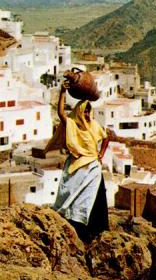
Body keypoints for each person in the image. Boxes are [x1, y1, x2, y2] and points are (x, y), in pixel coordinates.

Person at [45, 72, 111, 244]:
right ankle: (76, 227)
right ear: (80, 112)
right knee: (72, 195)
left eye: (89, 111)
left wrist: (101, 154)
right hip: (77, 166)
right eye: (85, 111)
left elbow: (106, 137)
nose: (88, 114)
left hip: (93, 169)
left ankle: (98, 230)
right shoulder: (73, 125)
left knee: (95, 199)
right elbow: (61, 114)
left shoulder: (94, 126)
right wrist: (62, 93)